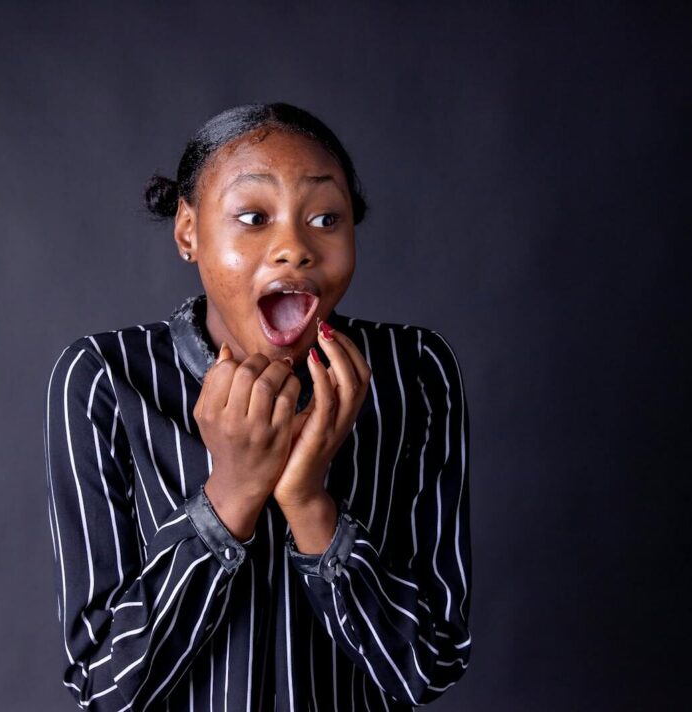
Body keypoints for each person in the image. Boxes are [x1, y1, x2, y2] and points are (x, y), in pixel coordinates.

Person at [43, 102, 471, 711]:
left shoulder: (415, 373)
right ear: (189, 232)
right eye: (253, 217)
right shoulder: (106, 379)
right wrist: (232, 493)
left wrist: (310, 504)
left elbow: (428, 665)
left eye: (326, 218)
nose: (294, 248)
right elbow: (106, 685)